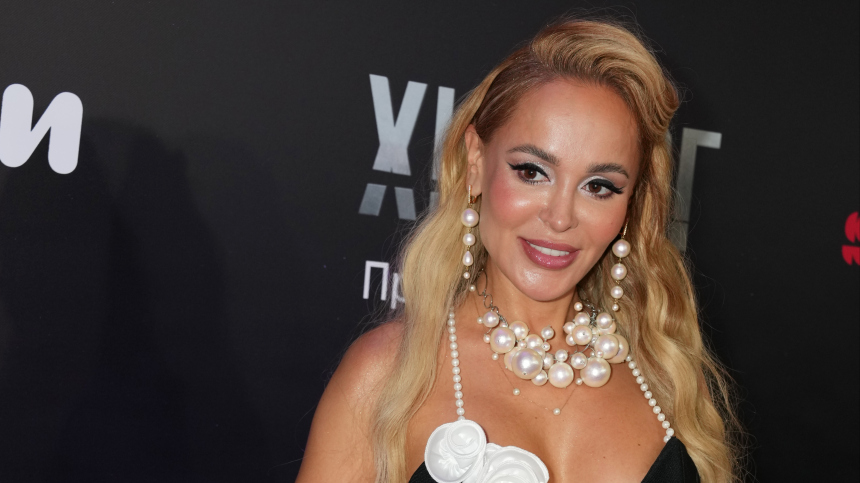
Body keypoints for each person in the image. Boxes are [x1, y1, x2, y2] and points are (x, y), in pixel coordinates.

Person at [297, 18, 741, 483]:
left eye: (599, 186)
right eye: (532, 172)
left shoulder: (669, 379)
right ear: (475, 161)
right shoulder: (386, 375)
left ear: (631, 203)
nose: (560, 217)